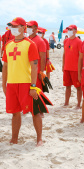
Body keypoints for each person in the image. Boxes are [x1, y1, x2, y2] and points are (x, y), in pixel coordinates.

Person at [2, 17, 43, 146]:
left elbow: (34, 66)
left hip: (26, 83)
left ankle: (39, 139)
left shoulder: (30, 44)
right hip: (12, 84)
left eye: (15, 26)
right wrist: (4, 84)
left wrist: (33, 86)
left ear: (23, 28)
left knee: (34, 111)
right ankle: (14, 138)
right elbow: (5, 66)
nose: (12, 29)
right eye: (11, 26)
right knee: (14, 113)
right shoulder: (8, 44)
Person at [62, 25, 82, 108]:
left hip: (75, 68)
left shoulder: (79, 42)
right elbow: (64, 54)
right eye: (68, 29)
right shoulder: (66, 40)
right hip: (67, 67)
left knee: (78, 87)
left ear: (75, 31)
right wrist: (63, 65)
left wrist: (80, 68)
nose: (69, 31)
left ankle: (78, 103)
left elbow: (81, 56)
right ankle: (66, 102)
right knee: (67, 86)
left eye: (70, 29)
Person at [27, 21, 46, 91]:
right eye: (27, 27)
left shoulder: (40, 41)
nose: (28, 28)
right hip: (27, 71)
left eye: (30, 27)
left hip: (36, 72)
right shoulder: (26, 39)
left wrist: (41, 72)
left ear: (35, 29)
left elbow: (43, 58)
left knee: (37, 93)